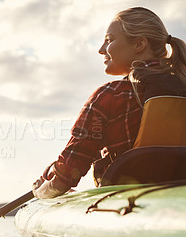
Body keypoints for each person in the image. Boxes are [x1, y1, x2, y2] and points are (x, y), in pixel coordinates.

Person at [33, 7, 186, 199]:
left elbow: (66, 175)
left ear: (139, 44)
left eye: (109, 40)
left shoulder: (110, 96)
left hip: (125, 201)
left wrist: (40, 191)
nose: (101, 50)